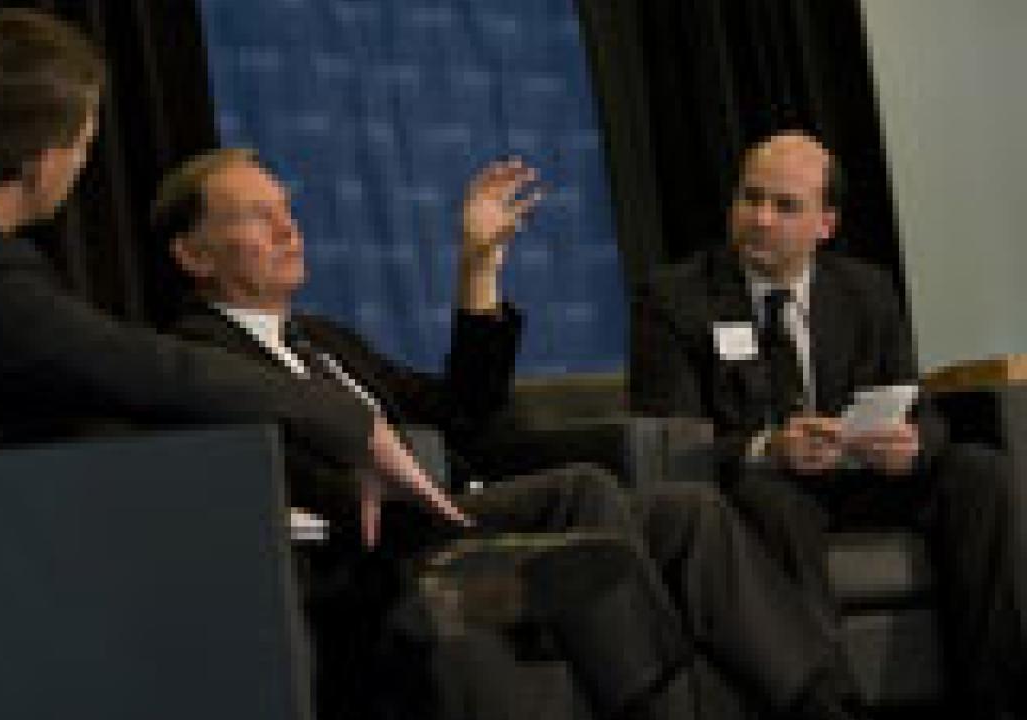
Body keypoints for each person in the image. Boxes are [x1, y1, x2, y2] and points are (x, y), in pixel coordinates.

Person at [149, 147, 861, 720]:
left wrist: (478, 267)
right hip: (398, 555)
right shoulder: (200, 360)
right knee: (581, 493)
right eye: (256, 216)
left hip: (472, 521)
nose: (287, 229)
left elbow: (464, 409)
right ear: (193, 254)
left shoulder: (324, 340)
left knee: (688, 513)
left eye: (287, 210)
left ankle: (824, 705)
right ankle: (655, 702)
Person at [0, 8, 467, 546]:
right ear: (42, 163)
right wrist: (347, 419)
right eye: (85, 145)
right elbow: (141, 369)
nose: (84, 165)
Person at [629, 130, 1026, 717]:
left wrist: (913, 446)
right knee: (773, 499)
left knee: (983, 475)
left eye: (784, 205)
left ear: (826, 224)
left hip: (863, 476)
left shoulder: (866, 290)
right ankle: (830, 704)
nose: (760, 219)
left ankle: (1003, 698)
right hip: (764, 485)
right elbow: (671, 442)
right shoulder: (675, 299)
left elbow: (920, 408)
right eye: (749, 198)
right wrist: (769, 447)